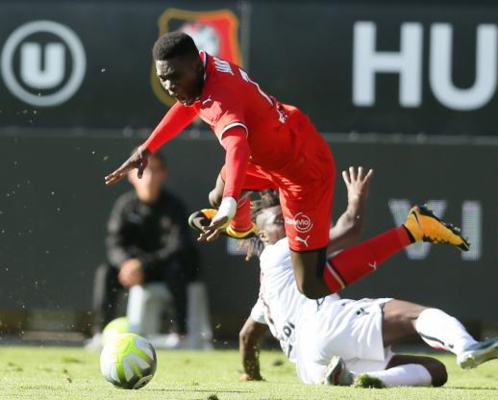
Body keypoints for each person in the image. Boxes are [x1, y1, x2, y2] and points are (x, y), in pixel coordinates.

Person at [104, 31, 470, 301]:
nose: (169, 85)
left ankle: (412, 228)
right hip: (278, 148)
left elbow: (236, 148)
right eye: (163, 77)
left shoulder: (222, 99)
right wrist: (148, 146)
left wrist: (231, 205)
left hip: (302, 172)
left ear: (195, 62)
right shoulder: (203, 74)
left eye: (173, 76)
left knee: (311, 285)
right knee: (218, 193)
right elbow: (190, 107)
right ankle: (240, 224)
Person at [237, 166, 498, 387]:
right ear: (263, 235)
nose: (287, 224)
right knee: (418, 316)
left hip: (311, 369)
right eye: (279, 220)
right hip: (324, 325)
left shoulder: (268, 291)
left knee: (434, 371)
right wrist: (355, 199)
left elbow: (247, 336)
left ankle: (358, 380)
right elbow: (349, 229)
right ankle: (468, 347)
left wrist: (252, 375)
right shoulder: (279, 251)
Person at [88, 151, 202, 349]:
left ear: (163, 174)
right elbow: (114, 243)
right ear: (131, 175)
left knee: (177, 269)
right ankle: (100, 334)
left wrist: (143, 264)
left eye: (154, 171)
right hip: (131, 270)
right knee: (105, 272)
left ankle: (179, 335)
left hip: (163, 268)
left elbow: (178, 246)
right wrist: (127, 264)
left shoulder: (174, 206)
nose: (148, 177)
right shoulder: (124, 206)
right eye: (143, 171)